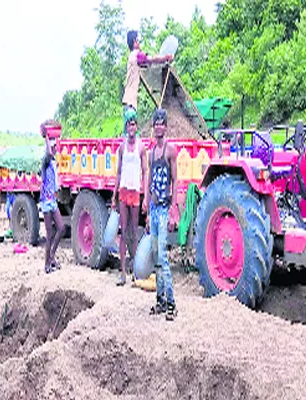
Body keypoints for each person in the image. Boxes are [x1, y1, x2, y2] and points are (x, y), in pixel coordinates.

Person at [144, 108, 178, 320]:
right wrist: (146, 209)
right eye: (156, 123)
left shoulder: (170, 151)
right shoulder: (150, 154)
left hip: (165, 209)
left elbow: (176, 181)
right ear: (153, 126)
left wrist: (174, 210)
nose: (158, 126)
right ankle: (160, 300)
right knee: (156, 255)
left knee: (163, 257)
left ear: (166, 127)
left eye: (162, 123)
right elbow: (148, 183)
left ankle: (172, 304)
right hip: (154, 210)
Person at [112, 108, 148, 286]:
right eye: (128, 124)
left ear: (136, 126)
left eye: (133, 123)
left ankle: (135, 271)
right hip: (123, 192)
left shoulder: (141, 147)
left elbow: (145, 171)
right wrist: (114, 195)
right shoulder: (121, 147)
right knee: (123, 231)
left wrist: (145, 196)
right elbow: (118, 172)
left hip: (135, 192)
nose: (131, 127)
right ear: (125, 126)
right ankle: (123, 272)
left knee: (134, 232)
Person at [122, 30, 173, 113]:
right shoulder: (137, 54)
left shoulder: (132, 57)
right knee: (131, 124)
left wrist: (163, 61)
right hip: (130, 102)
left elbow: (148, 65)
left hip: (127, 101)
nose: (139, 43)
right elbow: (152, 59)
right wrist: (165, 57)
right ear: (134, 42)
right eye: (138, 40)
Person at [40, 120, 65, 274]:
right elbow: (48, 153)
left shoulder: (53, 161)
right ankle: (47, 263)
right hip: (46, 201)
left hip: (52, 200)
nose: (55, 149)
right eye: (54, 147)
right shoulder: (46, 160)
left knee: (61, 229)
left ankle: (52, 257)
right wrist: (46, 137)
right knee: (49, 234)